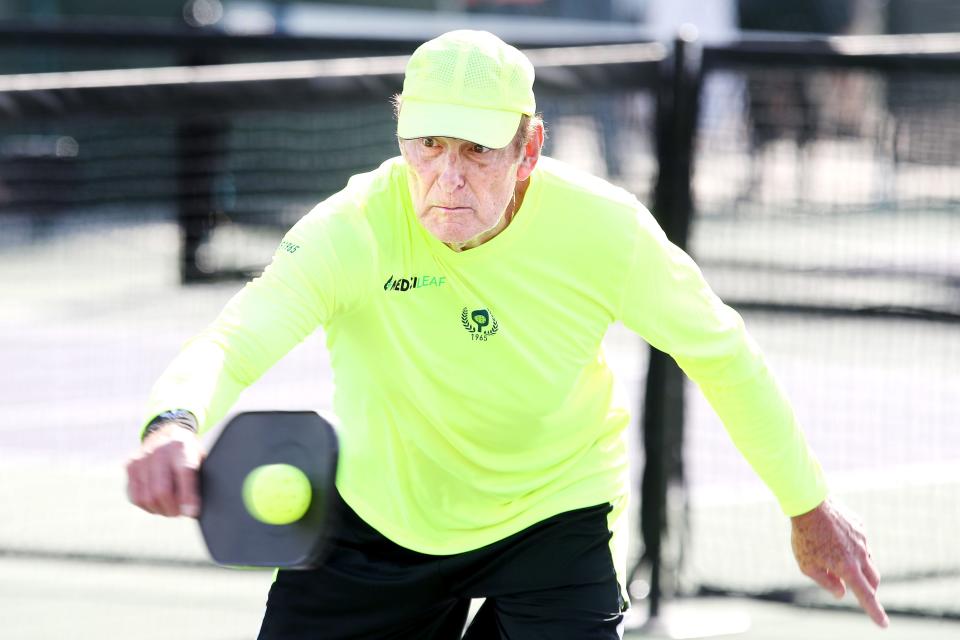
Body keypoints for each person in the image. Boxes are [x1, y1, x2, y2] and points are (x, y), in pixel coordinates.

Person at [126, 30, 888, 638]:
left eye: (477, 150)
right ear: (400, 133)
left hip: (549, 515)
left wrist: (806, 503)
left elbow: (721, 354)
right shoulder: (354, 228)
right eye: (428, 145)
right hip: (384, 515)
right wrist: (174, 423)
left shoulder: (605, 231)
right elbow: (236, 338)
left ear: (530, 149)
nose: (448, 177)